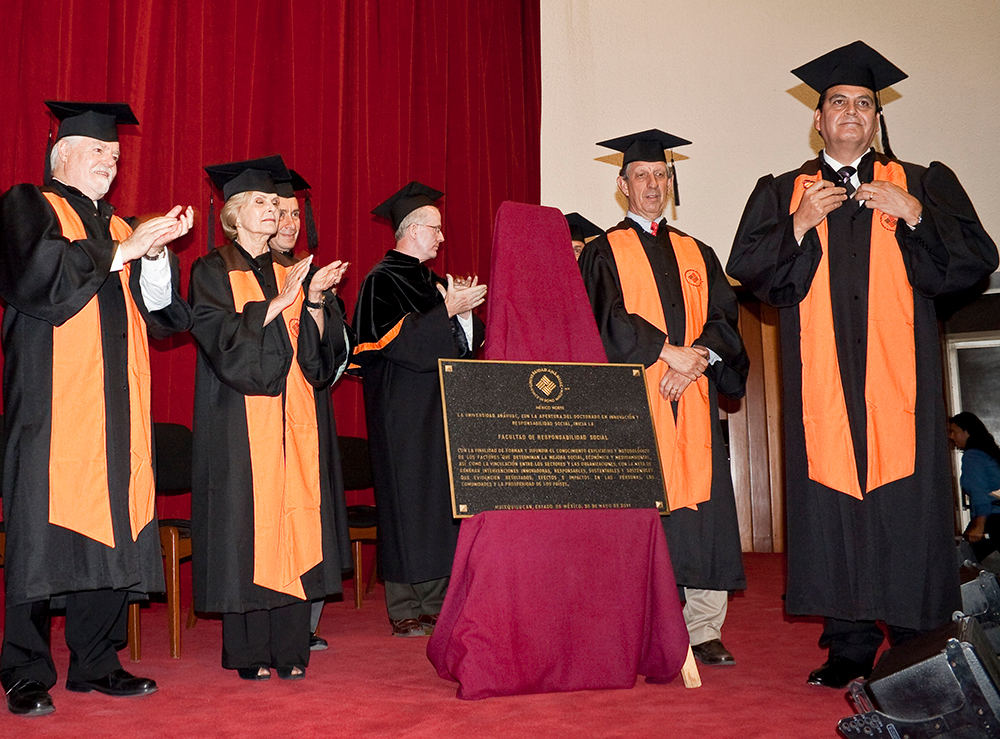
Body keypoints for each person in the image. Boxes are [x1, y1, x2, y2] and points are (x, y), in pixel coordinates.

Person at [727, 41, 999, 688]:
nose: (851, 111)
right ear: (818, 119)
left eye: (864, 103)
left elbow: (972, 260)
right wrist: (797, 224)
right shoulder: (782, 190)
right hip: (821, 386)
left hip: (899, 386)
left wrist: (916, 217)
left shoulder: (923, 180)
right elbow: (751, 270)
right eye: (838, 102)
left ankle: (915, 633)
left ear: (876, 119)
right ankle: (847, 643)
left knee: (905, 502)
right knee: (832, 502)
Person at [0, 101, 194, 716]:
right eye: (98, 153)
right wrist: (124, 249)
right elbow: (37, 275)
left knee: (113, 524)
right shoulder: (28, 205)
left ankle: (96, 660)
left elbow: (165, 320)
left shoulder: (121, 227)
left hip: (119, 405)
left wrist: (155, 255)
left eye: (115, 156)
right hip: (51, 405)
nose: (110, 163)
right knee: (38, 531)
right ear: (63, 156)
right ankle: (24, 668)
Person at [578, 129, 749, 667]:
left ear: (671, 182)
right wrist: (665, 353)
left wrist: (695, 357)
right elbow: (603, 321)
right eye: (641, 176)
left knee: (704, 514)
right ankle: (644, 622)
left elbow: (725, 318)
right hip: (636, 407)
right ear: (622, 184)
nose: (652, 184)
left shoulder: (699, 251)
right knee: (644, 513)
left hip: (693, 398)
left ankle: (703, 627)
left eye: (660, 175)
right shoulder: (604, 251)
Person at [189, 156, 350, 680]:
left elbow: (316, 363)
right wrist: (275, 307)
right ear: (234, 213)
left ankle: (291, 648)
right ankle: (248, 653)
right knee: (248, 528)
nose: (275, 210)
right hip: (240, 421)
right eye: (261, 202)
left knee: (295, 520)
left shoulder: (290, 270)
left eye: (276, 203)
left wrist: (318, 301)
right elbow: (219, 339)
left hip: (294, 423)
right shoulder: (212, 269)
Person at [351, 181, 486, 637]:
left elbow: (463, 348)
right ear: (411, 230)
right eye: (436, 228)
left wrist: (463, 315)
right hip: (401, 410)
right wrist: (445, 311)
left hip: (439, 408)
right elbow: (393, 345)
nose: (443, 237)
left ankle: (434, 602)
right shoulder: (380, 280)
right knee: (406, 502)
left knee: (437, 502)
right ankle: (405, 604)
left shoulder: (433, 282)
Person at [269, 168, 354, 651]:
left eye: (296, 214)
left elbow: (335, 349)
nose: (289, 222)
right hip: (272, 411)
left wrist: (321, 301)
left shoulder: (311, 273)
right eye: (279, 212)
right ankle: (281, 619)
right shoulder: (253, 274)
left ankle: (307, 621)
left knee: (315, 509)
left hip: (314, 408)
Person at [949, 412, 1000, 561]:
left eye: (954, 431)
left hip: (993, 519)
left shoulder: (973, 457)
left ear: (967, 431)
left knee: (963, 562)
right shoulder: (989, 454)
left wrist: (979, 524)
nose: (951, 437)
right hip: (994, 517)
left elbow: (980, 491)